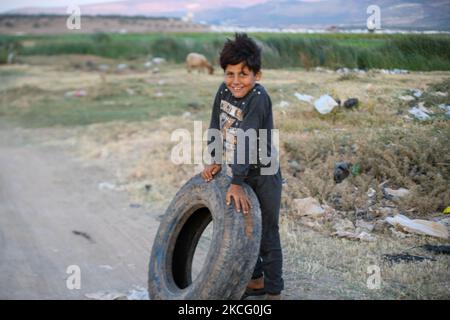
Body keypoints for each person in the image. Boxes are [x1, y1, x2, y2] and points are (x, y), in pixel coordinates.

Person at [201, 33, 283, 300]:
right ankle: (256, 281)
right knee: (247, 228)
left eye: (243, 74)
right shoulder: (224, 90)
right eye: (230, 73)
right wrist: (215, 159)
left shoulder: (258, 98)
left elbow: (248, 140)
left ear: (257, 75)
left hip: (263, 173)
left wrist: (236, 181)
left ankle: (273, 293)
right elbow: (215, 123)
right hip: (240, 170)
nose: (236, 81)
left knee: (267, 232)